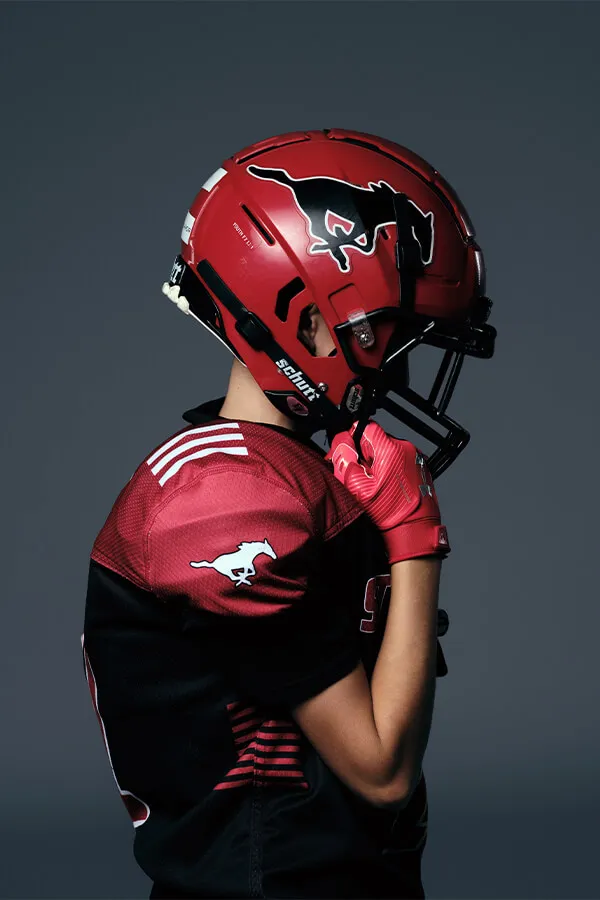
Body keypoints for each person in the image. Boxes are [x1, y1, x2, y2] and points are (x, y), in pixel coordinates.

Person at [81, 128, 496, 899]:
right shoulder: (223, 500)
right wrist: (414, 540)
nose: (404, 365)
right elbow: (381, 770)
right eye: (390, 335)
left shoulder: (290, 474)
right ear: (308, 324)